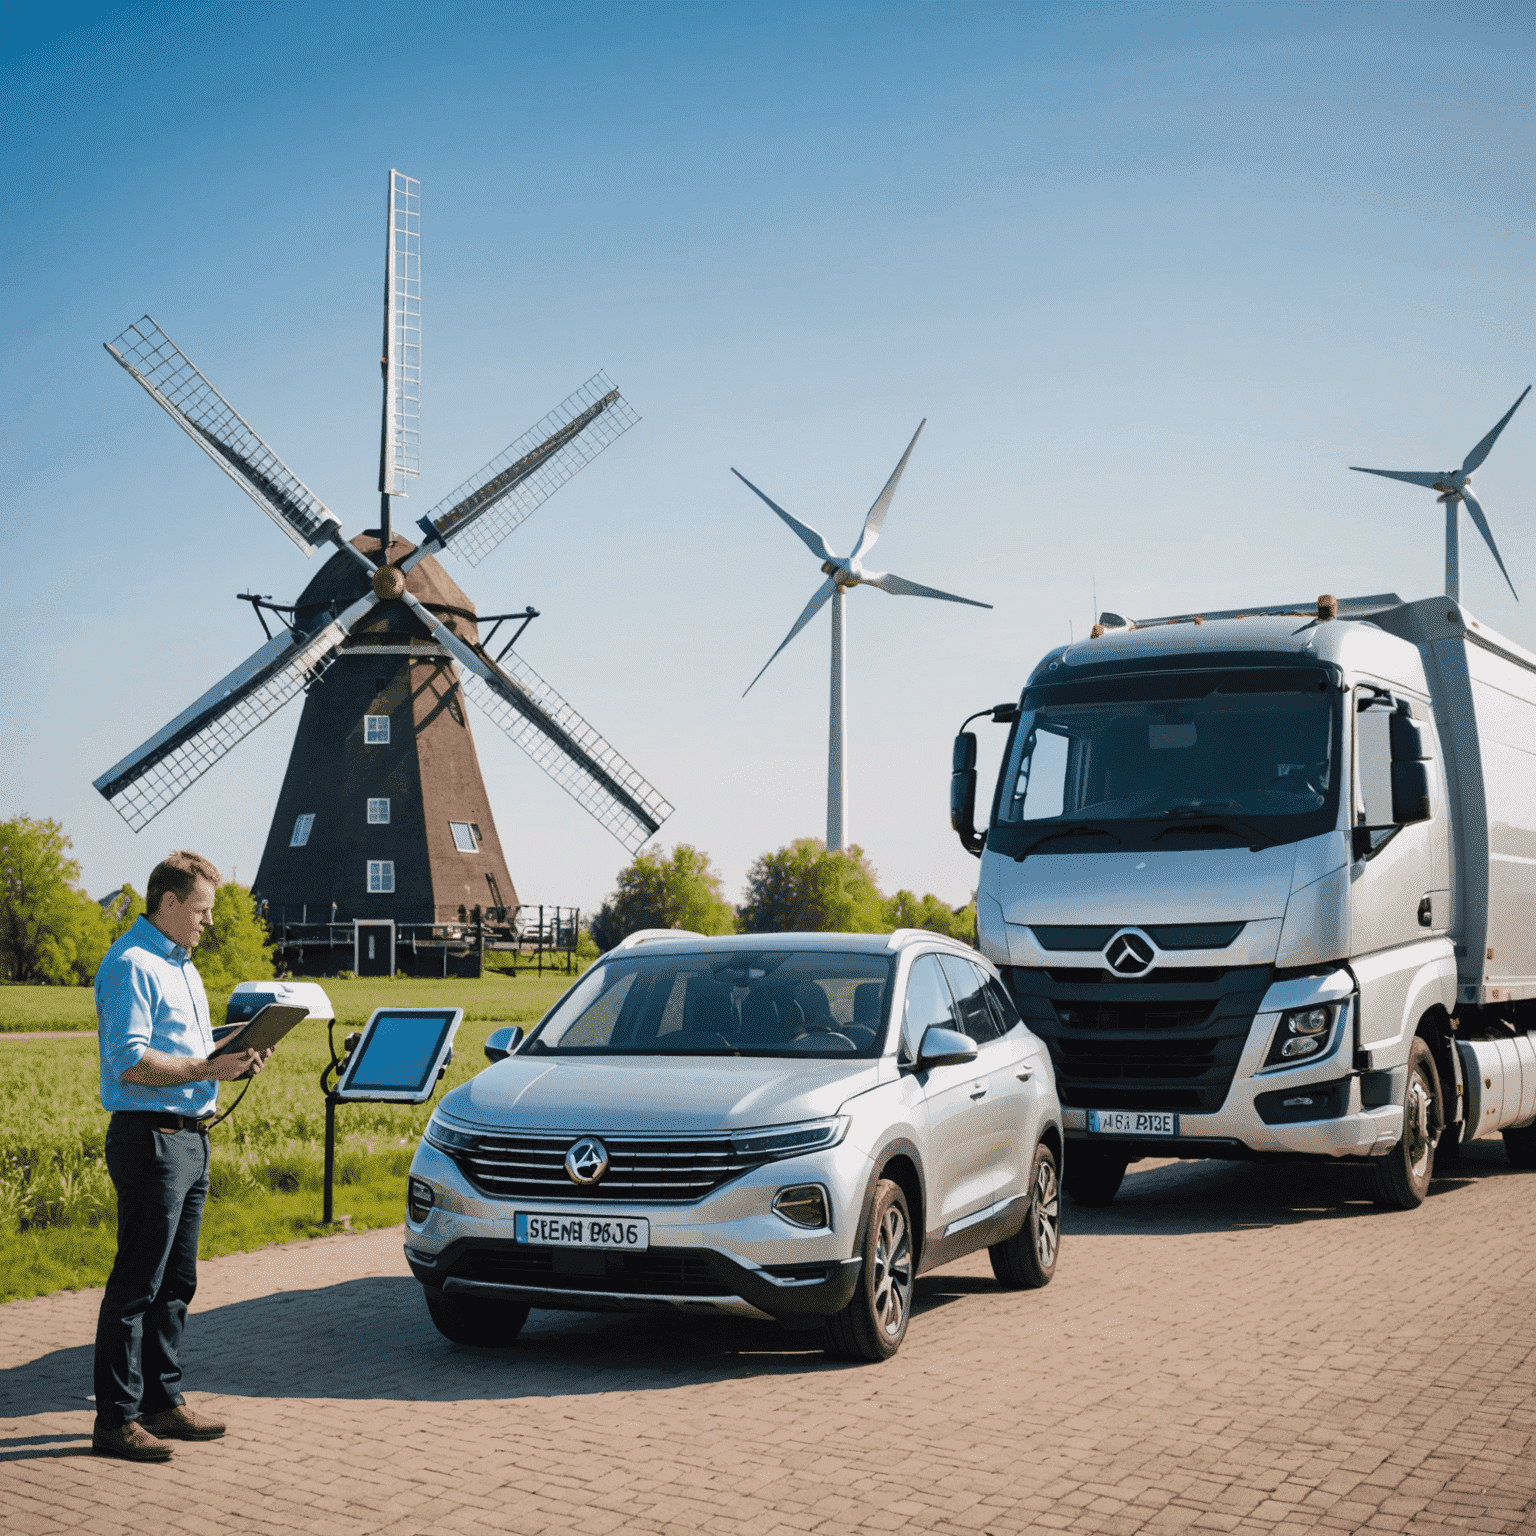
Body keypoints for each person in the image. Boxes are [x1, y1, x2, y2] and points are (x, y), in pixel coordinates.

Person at [91, 851, 269, 1463]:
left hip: (190, 1135)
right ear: (167, 903)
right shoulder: (132, 965)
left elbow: (188, 1047)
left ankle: (162, 1404)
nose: (208, 922)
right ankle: (115, 1420)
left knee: (177, 1283)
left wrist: (233, 1051)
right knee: (137, 1283)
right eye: (201, 909)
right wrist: (204, 1067)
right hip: (150, 1138)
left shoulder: (183, 967)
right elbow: (129, 1059)